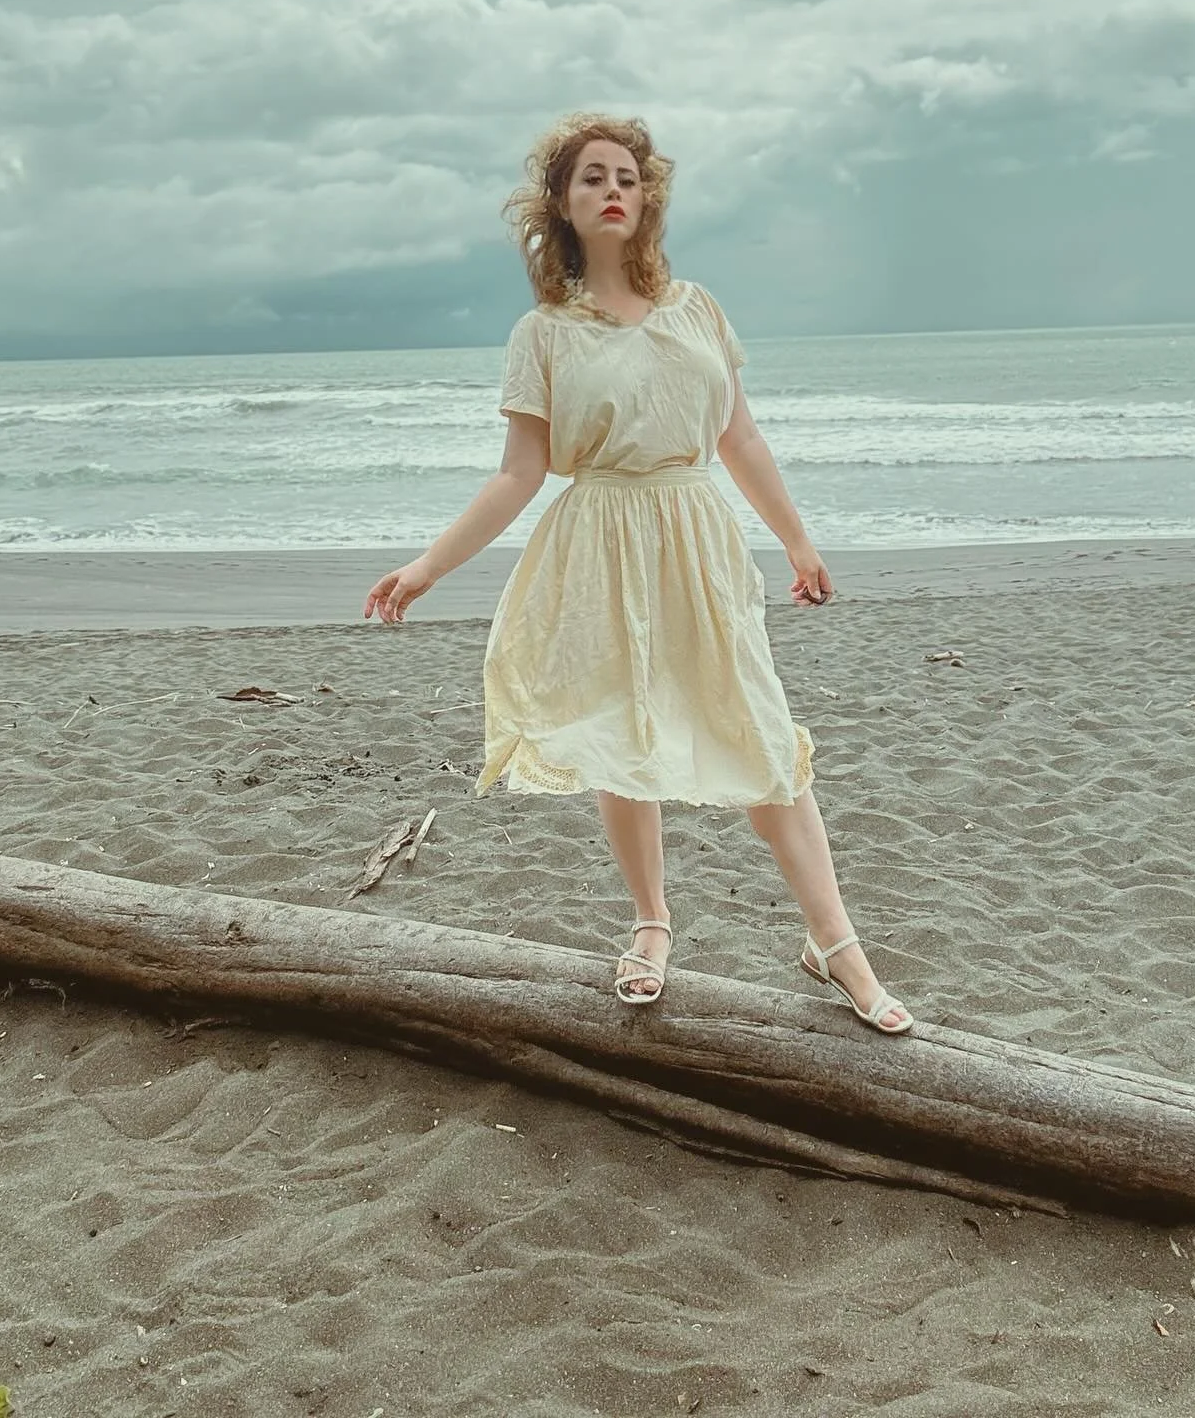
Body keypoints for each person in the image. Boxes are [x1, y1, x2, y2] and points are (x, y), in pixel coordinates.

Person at [364, 113, 913, 1032]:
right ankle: (651, 923)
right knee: (625, 732)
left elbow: (739, 436)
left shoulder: (696, 308)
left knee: (763, 736)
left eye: (625, 174)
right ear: (563, 207)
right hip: (601, 540)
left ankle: (834, 943)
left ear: (647, 195)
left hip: (697, 535)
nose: (611, 187)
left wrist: (798, 539)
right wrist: (428, 566)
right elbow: (519, 474)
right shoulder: (544, 332)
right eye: (589, 178)